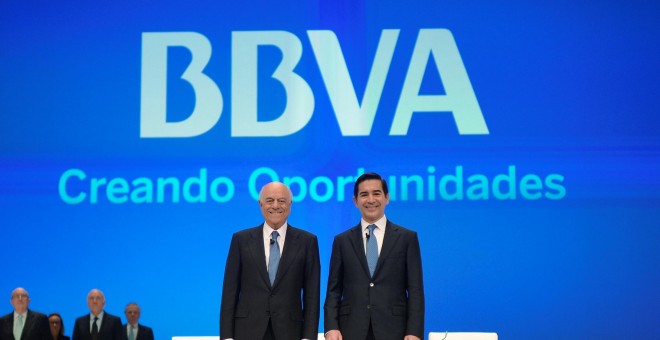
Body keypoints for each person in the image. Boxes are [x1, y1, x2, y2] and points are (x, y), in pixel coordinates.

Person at [324, 172, 425, 340]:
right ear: (355, 201)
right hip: (350, 330)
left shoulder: (407, 238)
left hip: (394, 330)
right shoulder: (342, 241)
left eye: (376, 193)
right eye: (364, 195)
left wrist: (414, 331)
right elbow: (334, 290)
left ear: (387, 198)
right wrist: (331, 327)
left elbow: (415, 290)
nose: (371, 200)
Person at [220, 181, 320, 340]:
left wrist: (308, 337)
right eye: (269, 200)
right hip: (247, 331)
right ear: (260, 204)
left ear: (290, 204)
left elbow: (312, 296)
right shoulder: (241, 240)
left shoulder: (307, 242)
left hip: (290, 332)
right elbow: (229, 292)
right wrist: (226, 336)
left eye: (281, 200)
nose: (276, 205)